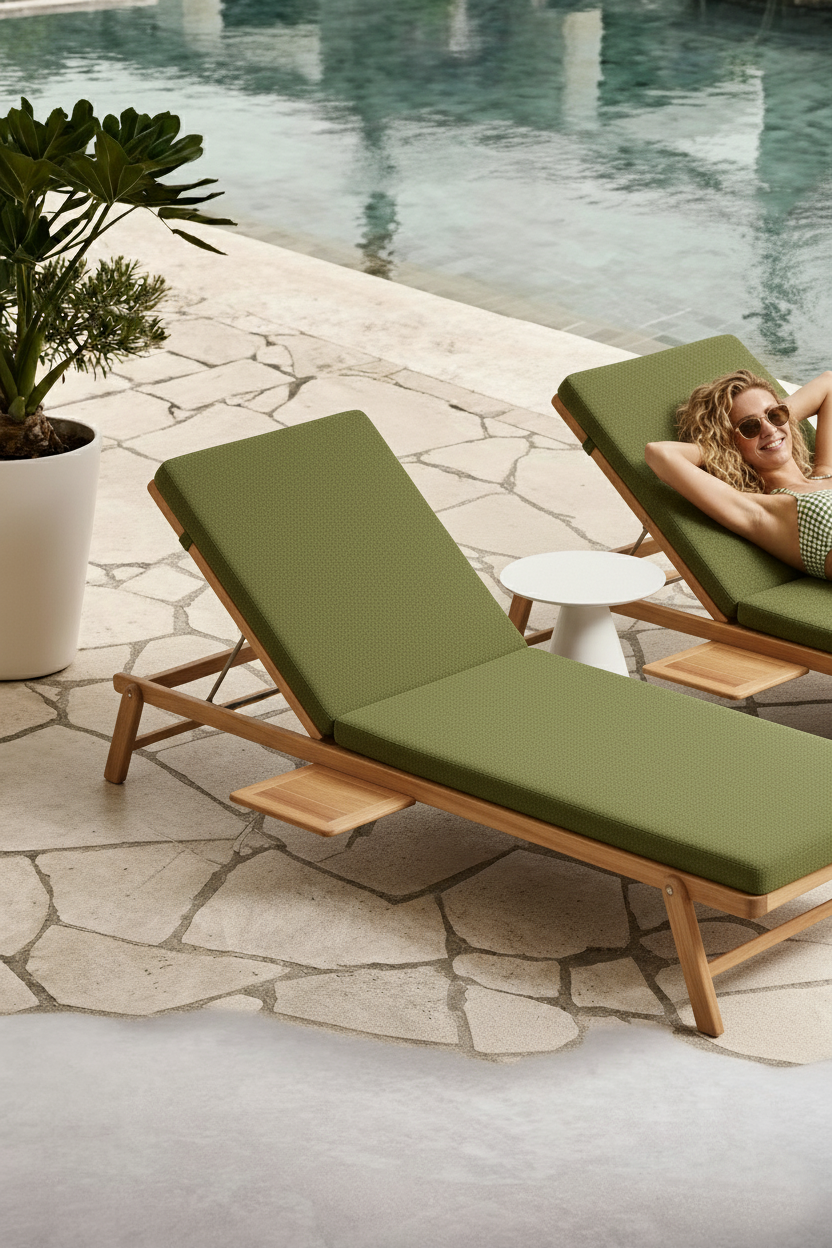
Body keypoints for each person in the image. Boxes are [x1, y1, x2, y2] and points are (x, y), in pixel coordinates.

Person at [645, 369, 832, 579]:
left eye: (776, 414)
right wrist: (722, 445)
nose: (769, 430)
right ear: (731, 443)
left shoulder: (825, 472)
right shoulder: (758, 511)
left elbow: (829, 383)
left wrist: (777, 422)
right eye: (749, 427)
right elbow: (659, 454)